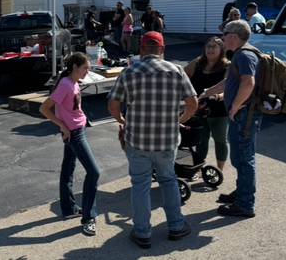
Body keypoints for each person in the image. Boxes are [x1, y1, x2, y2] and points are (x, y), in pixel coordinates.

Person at [107, 32, 198, 249]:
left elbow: (113, 103)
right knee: (168, 180)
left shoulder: (129, 72)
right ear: (162, 49)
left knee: (140, 185)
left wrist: (121, 119)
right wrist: (179, 120)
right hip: (167, 141)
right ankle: (176, 226)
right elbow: (192, 103)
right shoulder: (176, 71)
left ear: (141, 49)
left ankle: (142, 233)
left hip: (137, 140)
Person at [202, 20, 261, 218]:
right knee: (241, 157)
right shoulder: (242, 54)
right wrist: (207, 92)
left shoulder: (244, 55)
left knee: (244, 159)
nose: (221, 38)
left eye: (224, 34)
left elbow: (248, 82)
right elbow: (230, 82)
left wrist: (235, 107)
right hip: (244, 114)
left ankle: (245, 204)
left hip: (244, 114)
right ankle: (241, 194)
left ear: (234, 36)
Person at [39, 52, 101, 237]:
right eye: (85, 68)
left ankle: (69, 208)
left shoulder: (72, 82)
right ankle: (88, 218)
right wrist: (63, 126)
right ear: (74, 67)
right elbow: (44, 108)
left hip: (76, 130)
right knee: (94, 172)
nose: (87, 72)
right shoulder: (65, 84)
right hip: (74, 134)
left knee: (68, 169)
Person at [184, 37, 230, 172]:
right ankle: (199, 168)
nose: (210, 49)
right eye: (208, 46)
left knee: (220, 140)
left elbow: (229, 85)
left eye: (214, 47)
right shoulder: (198, 62)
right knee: (200, 140)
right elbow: (183, 74)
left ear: (221, 50)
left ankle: (219, 170)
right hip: (198, 109)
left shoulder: (228, 65)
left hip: (219, 110)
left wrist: (220, 96)